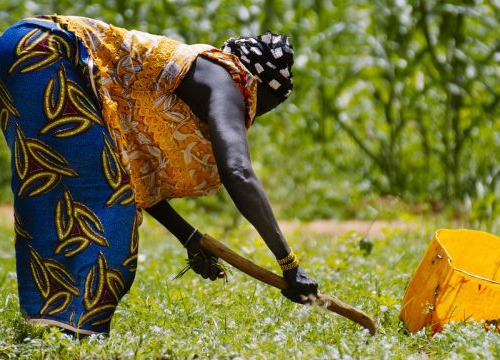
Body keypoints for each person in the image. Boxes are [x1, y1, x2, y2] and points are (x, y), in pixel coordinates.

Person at [0, 15, 318, 337]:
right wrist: (289, 265)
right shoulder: (228, 82)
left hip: (20, 46)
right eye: (267, 106)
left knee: (61, 196)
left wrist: (190, 238)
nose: (255, 115)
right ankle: (77, 334)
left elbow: (134, 176)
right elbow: (237, 171)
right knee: (110, 212)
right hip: (47, 52)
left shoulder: (196, 76)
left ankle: (58, 329)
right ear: (258, 86)